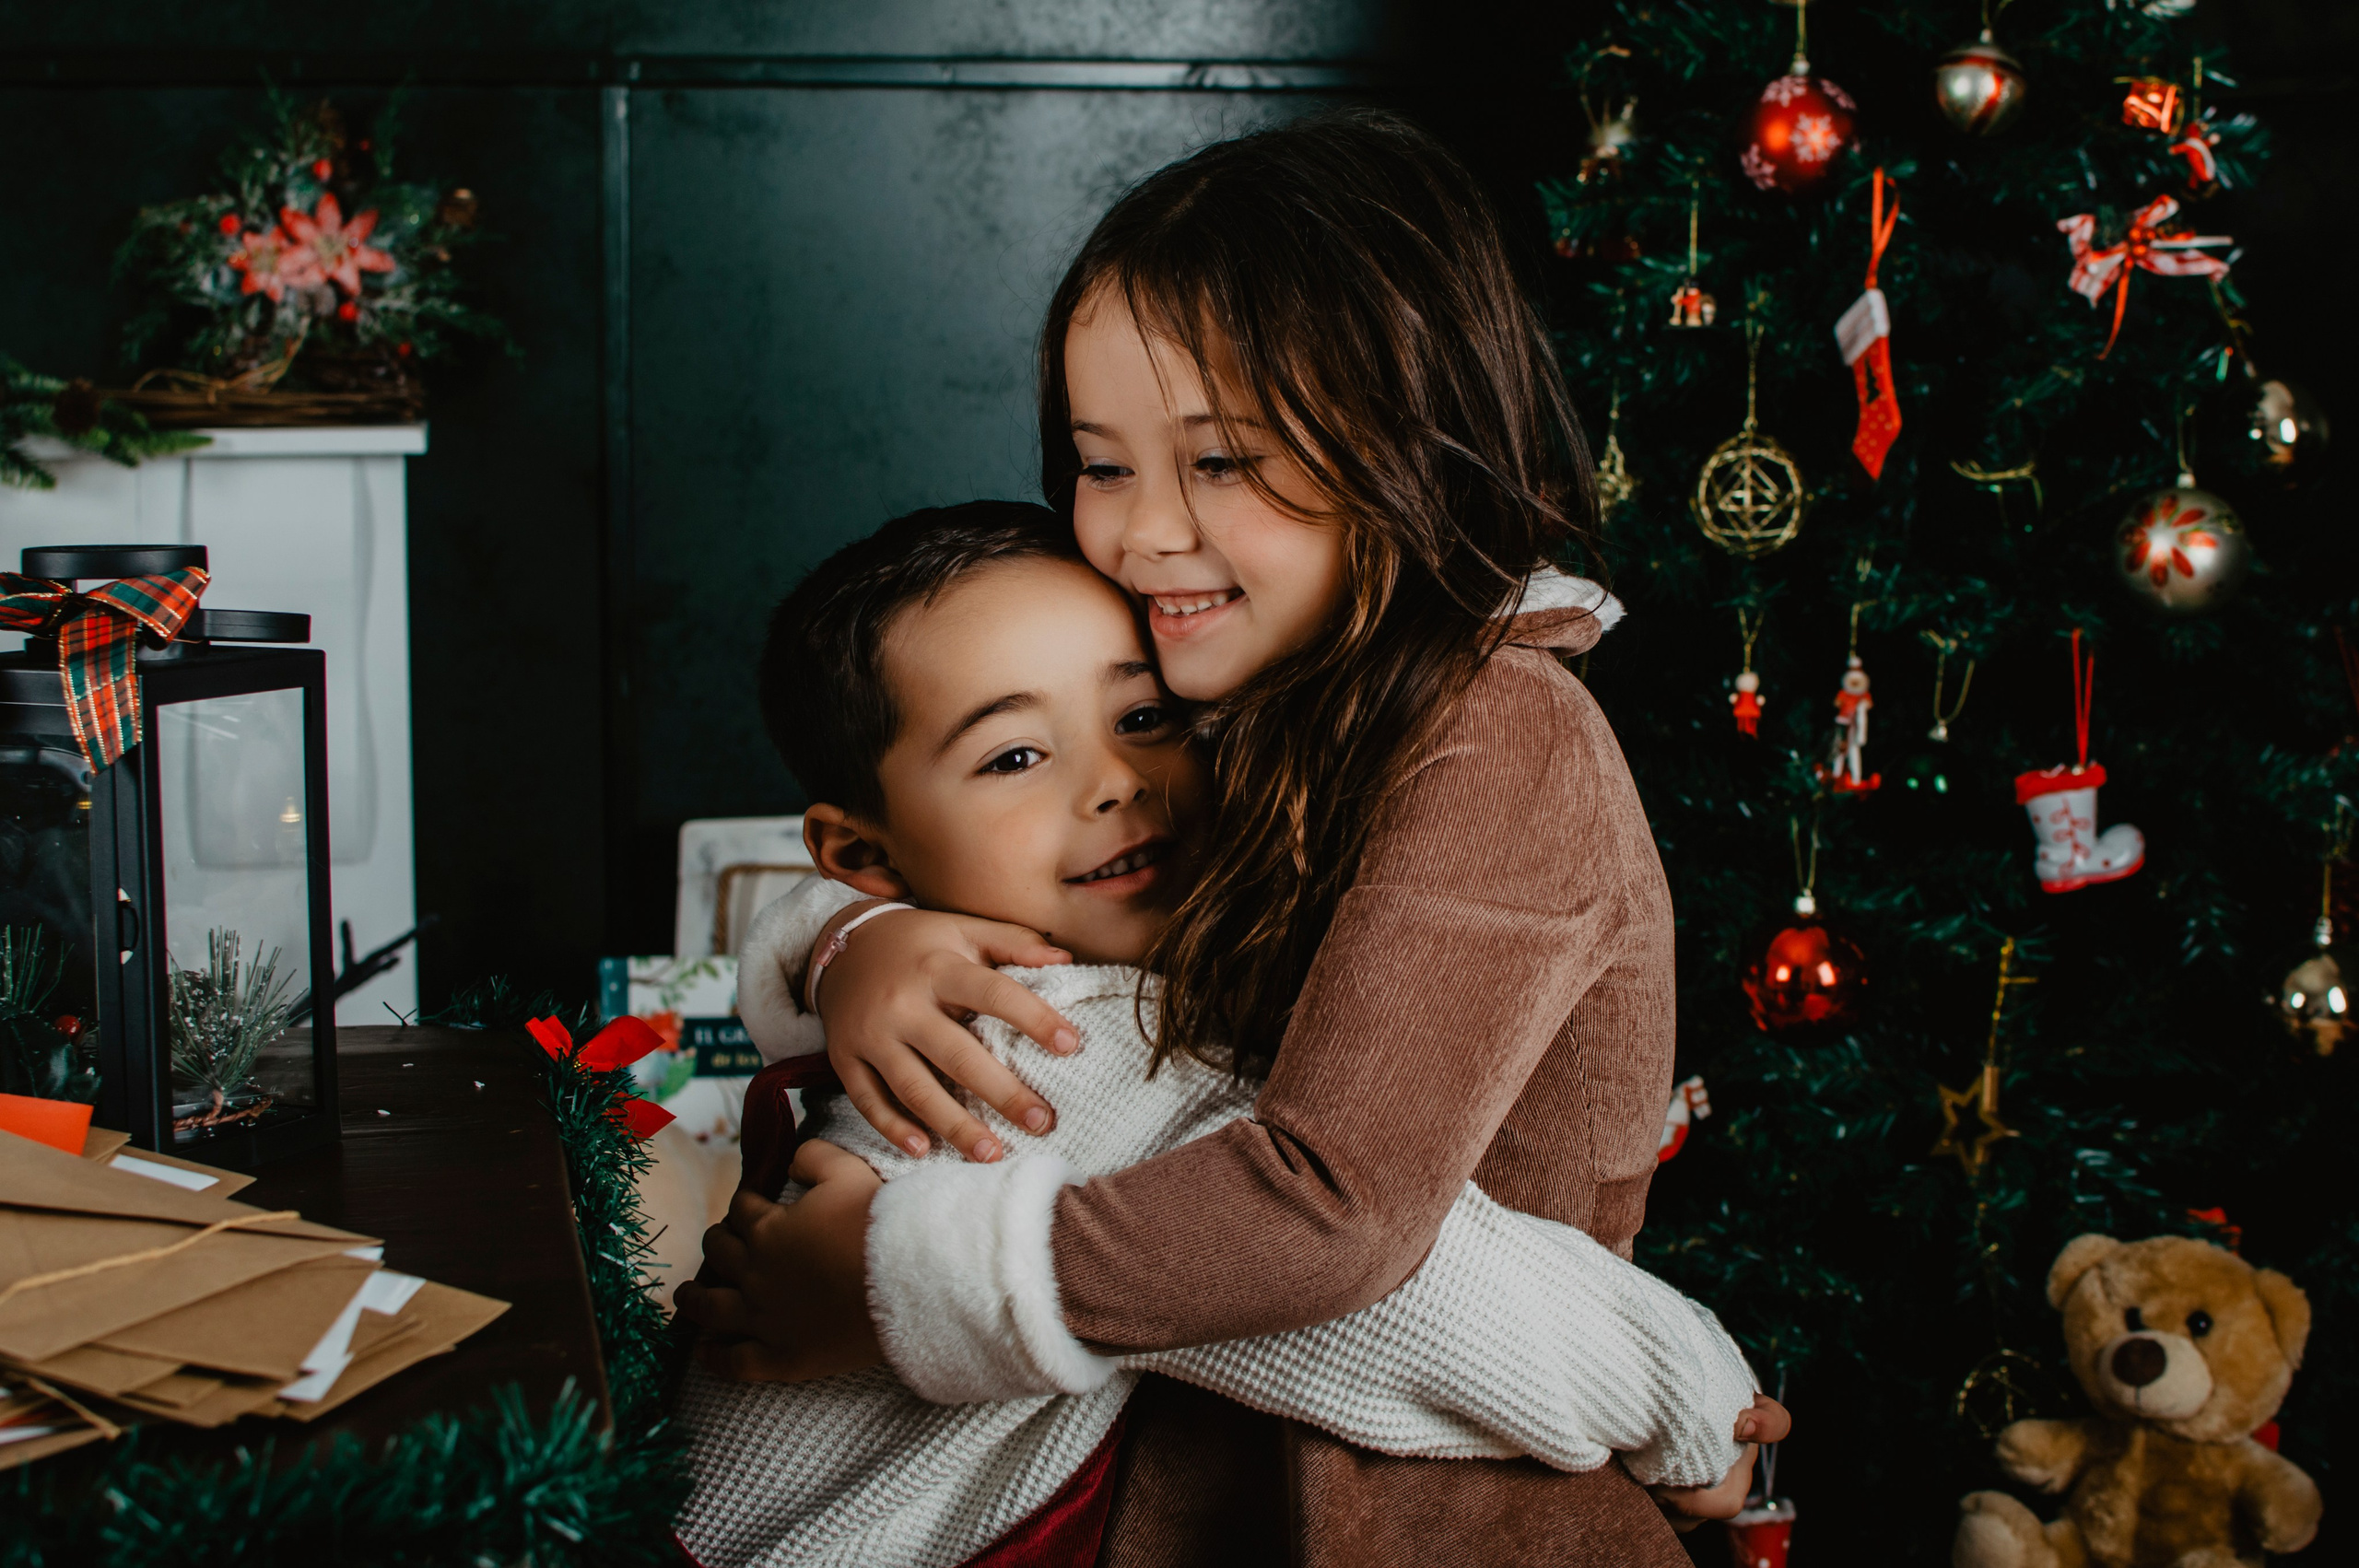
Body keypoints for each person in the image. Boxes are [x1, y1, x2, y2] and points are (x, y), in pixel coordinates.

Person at [679, 109, 1790, 1566]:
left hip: (1434, 1486)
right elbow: (1034, 933)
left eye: (1218, 462)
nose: (1140, 535)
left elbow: (1330, 1217)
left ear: (1408, 440)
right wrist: (854, 943)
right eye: (1101, 462)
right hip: (1199, 1456)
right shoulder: (1251, 689)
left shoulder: (1498, 732)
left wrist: (901, 1275)